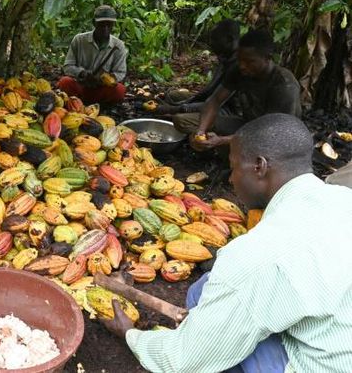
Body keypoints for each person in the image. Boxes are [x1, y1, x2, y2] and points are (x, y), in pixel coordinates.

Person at [102, 113, 352, 372]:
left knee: (218, 347)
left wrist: (130, 334)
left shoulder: (258, 254)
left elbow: (185, 360)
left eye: (233, 167)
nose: (231, 180)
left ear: (259, 167)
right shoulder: (343, 199)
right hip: (333, 332)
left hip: (325, 365)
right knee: (204, 289)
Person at [173, 29, 301, 150]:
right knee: (187, 125)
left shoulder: (284, 85)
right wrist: (201, 130)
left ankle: (229, 152)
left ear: (267, 58)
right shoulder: (239, 70)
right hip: (247, 125)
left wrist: (223, 140)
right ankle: (223, 148)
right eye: (240, 60)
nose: (242, 66)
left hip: (276, 138)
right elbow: (215, 101)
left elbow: (271, 132)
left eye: (249, 61)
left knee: (244, 148)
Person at [157, 19, 241, 115]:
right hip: (212, 100)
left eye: (215, 39)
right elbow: (209, 91)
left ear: (229, 39)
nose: (211, 43)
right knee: (173, 96)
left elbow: (216, 102)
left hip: (227, 110)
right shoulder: (225, 57)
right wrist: (180, 104)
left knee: (181, 120)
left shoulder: (241, 65)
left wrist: (176, 109)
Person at [57, 5, 128, 106]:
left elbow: (120, 72)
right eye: (102, 24)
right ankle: (77, 102)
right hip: (81, 86)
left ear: (113, 25)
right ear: (94, 23)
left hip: (101, 89)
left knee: (120, 90)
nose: (105, 28)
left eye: (109, 25)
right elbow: (68, 66)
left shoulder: (118, 45)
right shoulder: (79, 40)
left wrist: (106, 79)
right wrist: (82, 73)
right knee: (65, 82)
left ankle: (97, 104)